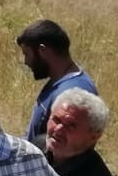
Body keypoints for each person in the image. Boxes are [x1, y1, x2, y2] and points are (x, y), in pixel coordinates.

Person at [16, 19, 98, 148]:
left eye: (27, 54)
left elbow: (68, 148)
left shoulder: (72, 92)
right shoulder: (59, 81)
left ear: (42, 51)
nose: (26, 62)